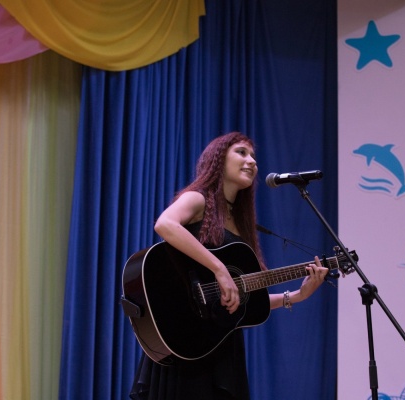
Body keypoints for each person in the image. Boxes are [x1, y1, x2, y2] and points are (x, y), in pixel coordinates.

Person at [130, 132, 328, 400]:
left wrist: (296, 296)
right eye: (242, 152)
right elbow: (165, 224)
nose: (252, 161)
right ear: (218, 159)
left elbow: (243, 295)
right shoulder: (197, 198)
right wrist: (219, 269)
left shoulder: (241, 224)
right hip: (186, 336)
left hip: (219, 344)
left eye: (254, 157)